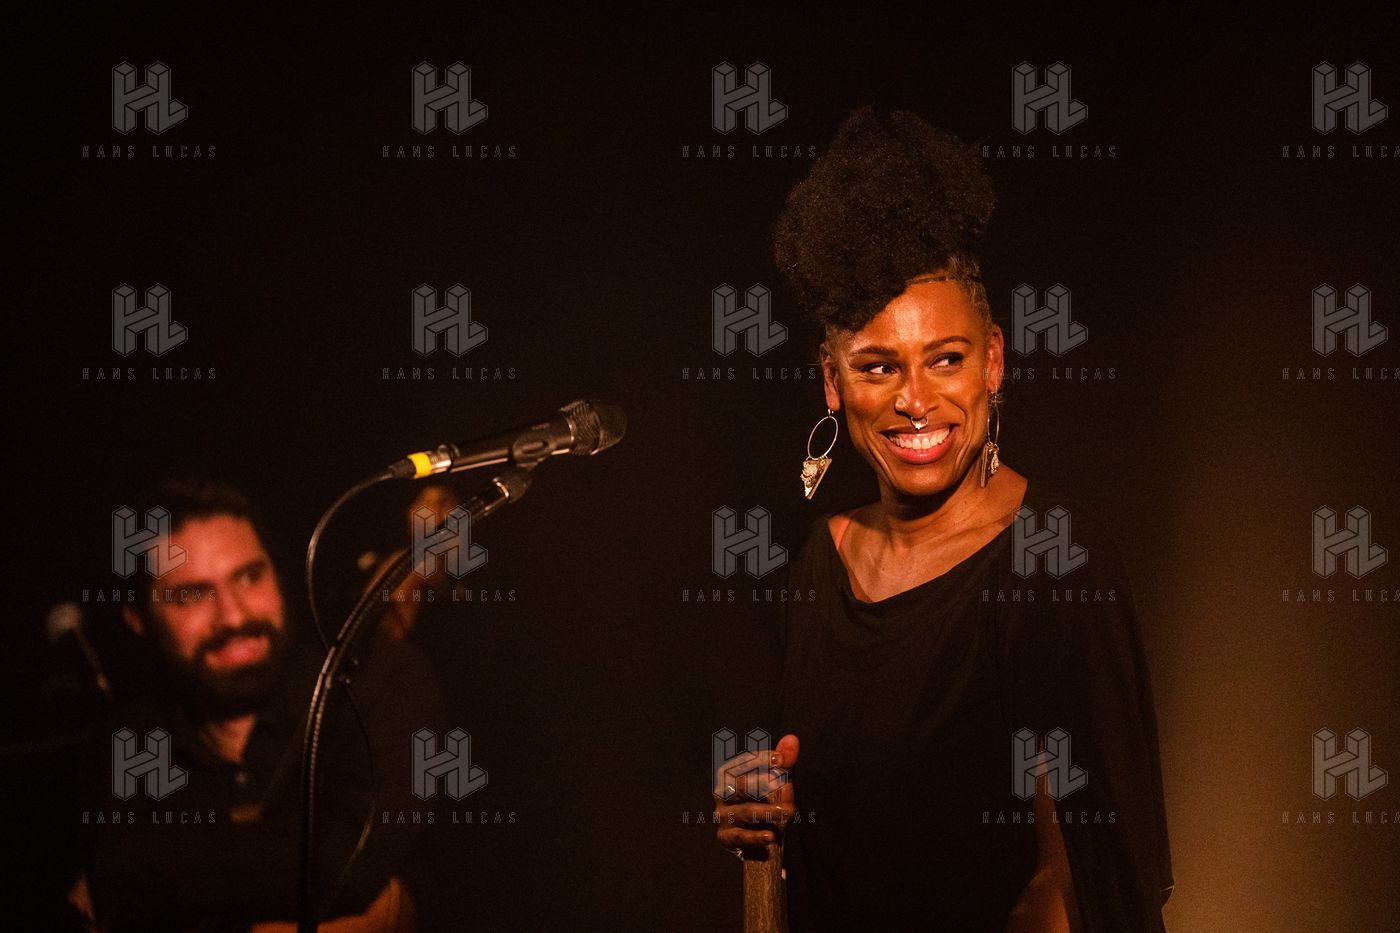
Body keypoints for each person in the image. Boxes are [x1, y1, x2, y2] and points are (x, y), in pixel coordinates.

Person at [713, 108, 1173, 932]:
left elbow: (1074, 879)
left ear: (993, 360)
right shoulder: (817, 565)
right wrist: (755, 809)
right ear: (832, 383)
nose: (916, 400)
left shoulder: (1052, 563)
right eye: (877, 367)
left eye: (946, 359)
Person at [69, 477, 440, 932]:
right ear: (138, 620)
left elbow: (349, 865)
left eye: (249, 576)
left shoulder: (374, 679)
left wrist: (148, 864)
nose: (235, 615)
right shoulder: (126, 743)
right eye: (191, 594)